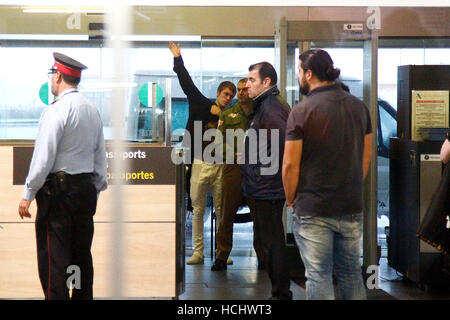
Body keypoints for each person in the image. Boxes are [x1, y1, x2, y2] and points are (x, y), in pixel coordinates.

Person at [282, 49, 372, 300]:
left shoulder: (302, 111)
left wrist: (291, 200)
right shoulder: (359, 107)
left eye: (300, 71)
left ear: (309, 74)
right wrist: (350, 187)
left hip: (313, 208)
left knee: (319, 275)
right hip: (351, 206)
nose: (298, 76)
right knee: (351, 275)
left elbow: (290, 165)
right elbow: (365, 157)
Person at [17, 52, 108, 300]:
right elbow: (100, 157)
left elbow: (43, 158)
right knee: (80, 258)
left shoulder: (56, 111)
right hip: (85, 193)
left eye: (51, 75)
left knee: (55, 260)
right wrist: (95, 190)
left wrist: (28, 193)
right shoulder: (91, 111)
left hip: (58, 197)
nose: (50, 80)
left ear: (57, 76)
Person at [169, 42, 236, 265]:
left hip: (219, 166)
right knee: (198, 209)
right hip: (199, 161)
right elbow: (187, 84)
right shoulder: (201, 104)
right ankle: (198, 252)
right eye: (226, 94)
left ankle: (221, 253)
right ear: (218, 93)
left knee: (220, 210)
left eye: (231, 96)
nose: (228, 98)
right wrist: (178, 59)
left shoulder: (231, 117)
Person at [241, 62, 292, 300]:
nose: (247, 84)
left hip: (268, 187)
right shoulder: (264, 106)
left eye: (252, 80)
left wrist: (261, 170)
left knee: (272, 242)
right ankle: (279, 291)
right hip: (263, 185)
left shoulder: (271, 108)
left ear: (266, 82)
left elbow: (282, 147)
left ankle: (281, 293)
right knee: (268, 241)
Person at [212, 78, 265, 271]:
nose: (241, 92)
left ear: (251, 91)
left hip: (255, 169)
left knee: (258, 214)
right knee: (226, 213)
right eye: (239, 90)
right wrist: (233, 154)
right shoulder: (226, 115)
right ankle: (221, 256)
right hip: (232, 167)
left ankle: (262, 256)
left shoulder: (261, 114)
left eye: (245, 89)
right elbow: (217, 144)